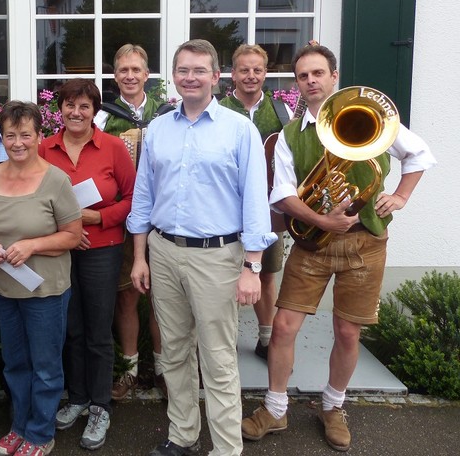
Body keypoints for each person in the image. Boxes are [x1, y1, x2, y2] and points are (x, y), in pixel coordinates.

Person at [241, 43, 436, 452]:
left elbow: (419, 154)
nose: (310, 81)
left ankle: (333, 406)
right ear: (296, 84)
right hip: (312, 245)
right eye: (302, 76)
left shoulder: (372, 117)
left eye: (317, 73)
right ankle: (276, 408)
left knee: (348, 332)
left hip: (366, 243)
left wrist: (399, 196)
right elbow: (283, 195)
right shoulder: (290, 135)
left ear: (334, 77)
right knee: (283, 327)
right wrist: (322, 220)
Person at [127, 39, 276, 456]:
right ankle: (183, 435)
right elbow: (143, 197)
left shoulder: (238, 128)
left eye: (199, 70)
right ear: (173, 77)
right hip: (164, 251)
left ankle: (227, 449)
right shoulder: (158, 129)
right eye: (182, 70)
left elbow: (254, 201)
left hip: (218, 257)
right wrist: (140, 257)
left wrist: (252, 266)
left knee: (218, 358)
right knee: (173, 352)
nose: (190, 77)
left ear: (215, 77)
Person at [0, 101, 82, 456]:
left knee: (45, 366)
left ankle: (40, 433)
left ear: (40, 136)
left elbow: (72, 235)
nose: (18, 142)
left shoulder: (56, 180)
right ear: (1, 137)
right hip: (4, 288)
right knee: (15, 364)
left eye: (26, 134)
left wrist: (33, 245)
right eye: (10, 135)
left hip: (46, 291)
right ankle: (18, 426)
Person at [40, 79, 135, 450]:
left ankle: (100, 405)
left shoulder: (113, 147)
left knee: (97, 330)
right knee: (70, 327)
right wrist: (64, 228)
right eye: (69, 105)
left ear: (95, 111)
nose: (76, 112)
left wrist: (98, 220)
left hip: (102, 248)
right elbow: (33, 197)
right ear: (59, 108)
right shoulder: (44, 147)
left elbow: (132, 198)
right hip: (59, 250)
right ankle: (77, 397)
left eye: (84, 106)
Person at [93, 44, 172, 400]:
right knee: (126, 296)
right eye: (123, 70)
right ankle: (129, 371)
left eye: (136, 70)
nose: (129, 76)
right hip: (121, 219)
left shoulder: (169, 112)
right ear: (115, 76)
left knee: (163, 300)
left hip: (164, 217)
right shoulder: (102, 116)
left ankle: (165, 370)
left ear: (147, 74)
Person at [219, 44, 293, 360]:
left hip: (266, 210)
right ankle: (224, 341)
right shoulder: (217, 109)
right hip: (224, 209)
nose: (251, 76)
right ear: (232, 73)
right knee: (222, 275)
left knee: (265, 274)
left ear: (266, 73)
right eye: (244, 70)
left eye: (257, 70)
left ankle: (266, 340)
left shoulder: (281, 112)